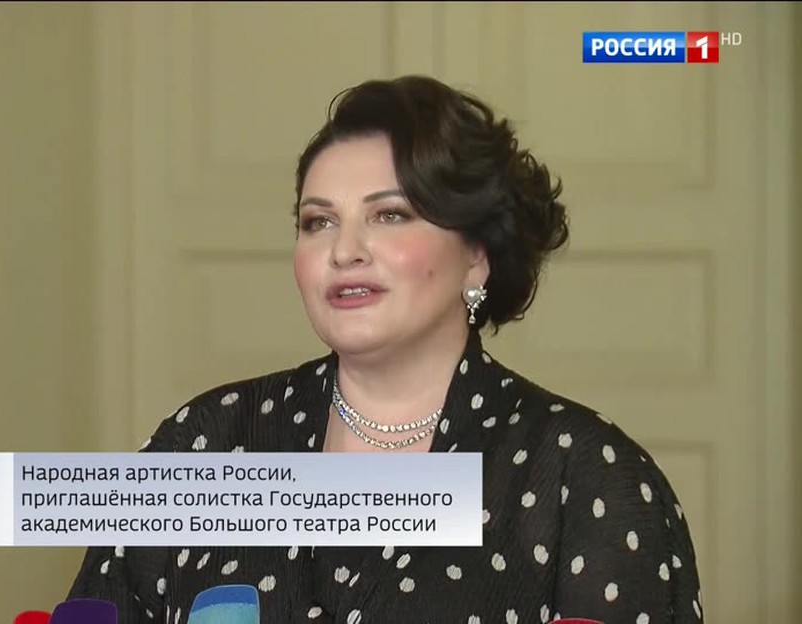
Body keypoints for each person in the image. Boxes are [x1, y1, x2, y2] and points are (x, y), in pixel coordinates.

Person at [67, 75, 703, 623]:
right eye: (318, 221)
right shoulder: (201, 441)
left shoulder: (587, 476)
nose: (344, 251)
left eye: (390, 215)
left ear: (477, 255)